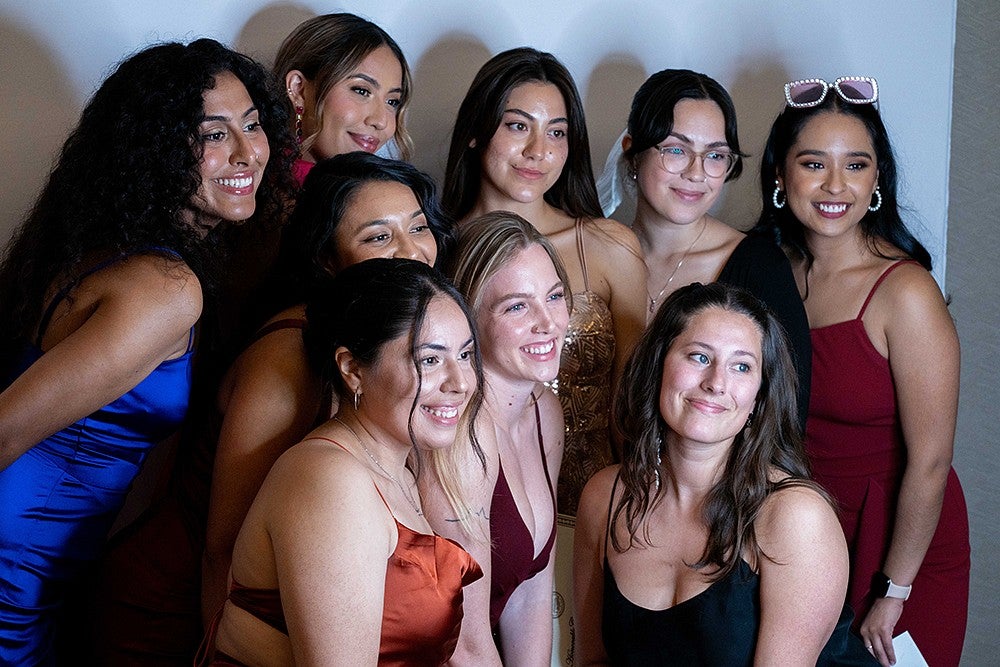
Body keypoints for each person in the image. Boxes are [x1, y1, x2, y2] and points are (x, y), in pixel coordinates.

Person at [0, 38, 293, 665]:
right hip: (16, 566)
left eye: (252, 124)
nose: (248, 151)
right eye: (212, 134)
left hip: (49, 566)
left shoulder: (119, 248)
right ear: (155, 149)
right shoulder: (166, 288)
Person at [757, 76, 970, 666]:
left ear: (877, 181)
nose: (835, 186)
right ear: (781, 177)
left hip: (903, 549)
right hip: (804, 536)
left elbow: (931, 461)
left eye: (856, 165)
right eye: (812, 163)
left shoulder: (906, 292)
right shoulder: (765, 272)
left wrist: (894, 591)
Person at [201, 151, 455, 623]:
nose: (413, 252)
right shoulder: (289, 357)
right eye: (380, 236)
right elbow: (223, 549)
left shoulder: (386, 342)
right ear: (325, 259)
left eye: (418, 227)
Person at [573, 282, 877, 665]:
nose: (716, 382)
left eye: (741, 366)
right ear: (658, 365)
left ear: (758, 397)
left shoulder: (796, 517)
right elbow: (592, 661)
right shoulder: (605, 497)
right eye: (699, 357)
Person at [200, 258, 484, 665]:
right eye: (430, 360)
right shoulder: (329, 480)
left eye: (466, 354)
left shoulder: (395, 470)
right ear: (352, 370)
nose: (460, 383)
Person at [442, 46, 647, 517]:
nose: (539, 151)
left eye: (557, 132)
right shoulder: (434, 247)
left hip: (590, 507)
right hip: (465, 502)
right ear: (476, 131)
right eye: (518, 126)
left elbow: (630, 403)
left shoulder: (608, 246)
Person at [612, 68, 810, 428]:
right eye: (676, 149)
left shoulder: (759, 266)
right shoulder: (598, 253)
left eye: (715, 156)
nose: (696, 172)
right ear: (632, 153)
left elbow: (785, 416)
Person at [420, 212, 568, 665]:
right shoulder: (460, 433)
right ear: (468, 319)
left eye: (555, 296)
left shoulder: (545, 410)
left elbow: (530, 590)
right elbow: (462, 638)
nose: (547, 323)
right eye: (517, 306)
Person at [273, 12, 413, 185]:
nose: (381, 121)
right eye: (361, 91)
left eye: (392, 102)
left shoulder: (374, 193)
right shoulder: (253, 193)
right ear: (299, 89)